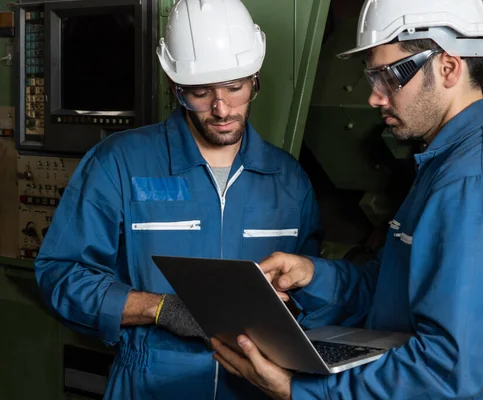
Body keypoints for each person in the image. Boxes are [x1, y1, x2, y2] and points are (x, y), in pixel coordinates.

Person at [211, 0, 483, 398]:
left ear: (448, 67)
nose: (374, 98)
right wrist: (311, 275)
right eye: (373, 78)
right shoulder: (445, 164)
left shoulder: (475, 185)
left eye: (389, 77)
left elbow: (445, 370)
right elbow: (392, 288)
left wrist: (298, 391)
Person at [34, 0, 322, 399]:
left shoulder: (288, 178)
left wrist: (292, 307)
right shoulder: (119, 163)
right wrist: (159, 308)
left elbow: (313, 290)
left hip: (259, 386)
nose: (221, 109)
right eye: (200, 93)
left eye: (235, 88)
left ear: (255, 80)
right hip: (151, 384)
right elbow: (60, 275)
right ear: (175, 87)